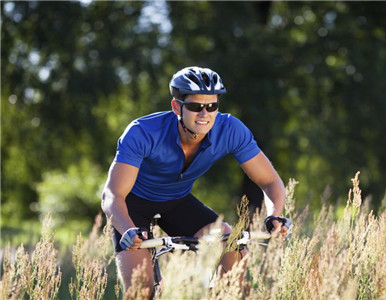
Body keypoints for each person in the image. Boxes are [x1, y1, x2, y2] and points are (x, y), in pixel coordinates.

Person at [101, 66, 290, 294]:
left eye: (211, 106)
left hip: (177, 200)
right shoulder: (142, 132)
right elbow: (112, 194)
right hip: (132, 204)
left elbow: (270, 181)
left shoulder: (230, 130)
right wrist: (128, 229)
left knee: (231, 244)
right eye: (195, 107)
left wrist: (275, 215)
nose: (204, 114)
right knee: (142, 291)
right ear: (176, 107)